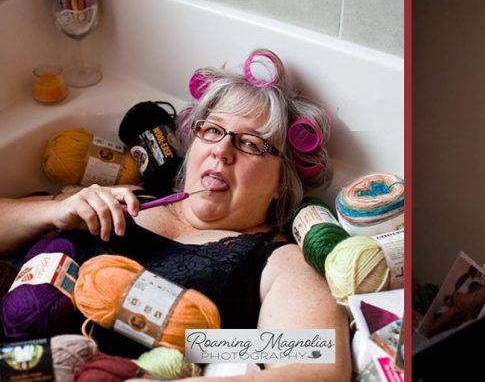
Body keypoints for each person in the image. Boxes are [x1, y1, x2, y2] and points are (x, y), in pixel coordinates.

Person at [0, 49, 350, 382]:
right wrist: (54, 211)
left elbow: (317, 369)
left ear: (280, 182)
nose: (222, 150)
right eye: (212, 130)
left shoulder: (280, 262)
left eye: (251, 144)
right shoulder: (128, 196)